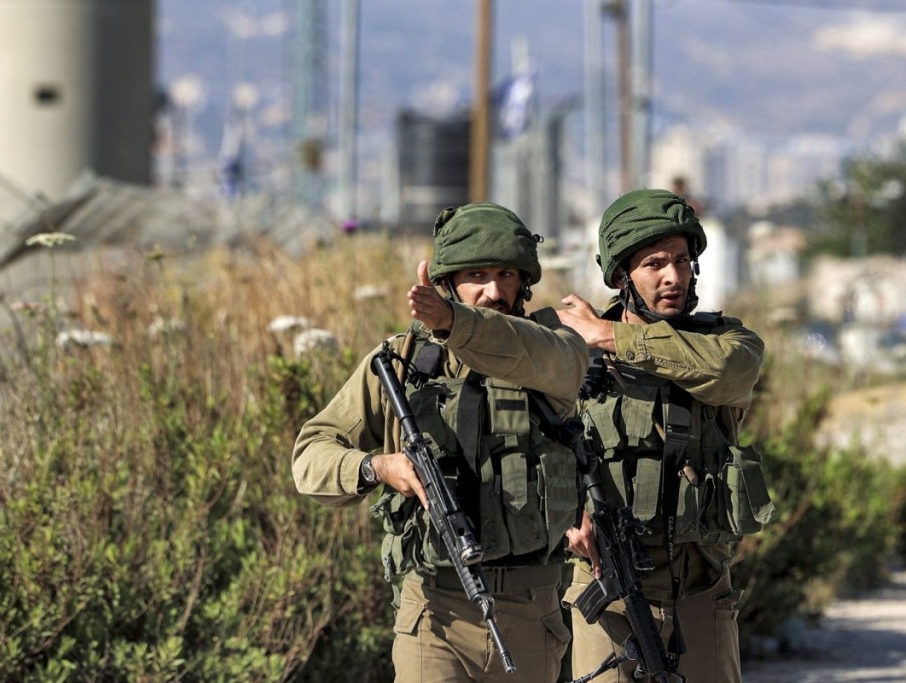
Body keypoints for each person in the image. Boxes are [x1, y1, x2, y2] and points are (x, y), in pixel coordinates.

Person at [292, 202, 590, 682]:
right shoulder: (402, 360)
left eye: (506, 275)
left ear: (523, 282)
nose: (493, 291)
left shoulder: (554, 347)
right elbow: (311, 455)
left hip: (529, 605)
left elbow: (546, 360)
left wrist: (457, 322)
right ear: (448, 281)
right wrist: (378, 468)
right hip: (434, 608)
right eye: (476, 275)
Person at [557, 189, 773, 682]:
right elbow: (527, 448)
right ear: (620, 277)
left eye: (681, 261)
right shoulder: (570, 352)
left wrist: (608, 335)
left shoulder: (725, 342)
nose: (674, 276)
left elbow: (731, 372)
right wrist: (567, 518)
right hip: (607, 589)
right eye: (654, 264)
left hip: (701, 589)